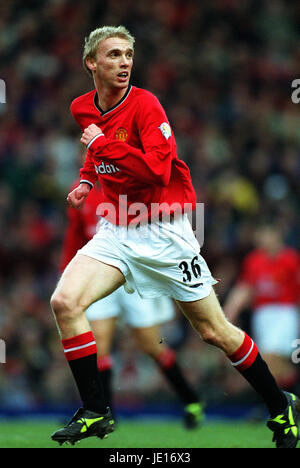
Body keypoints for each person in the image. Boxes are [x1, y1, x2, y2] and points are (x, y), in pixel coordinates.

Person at [50, 26, 300, 448]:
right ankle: (96, 411)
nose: (124, 62)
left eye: (128, 54)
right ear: (91, 63)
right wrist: (86, 183)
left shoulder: (146, 105)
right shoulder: (82, 108)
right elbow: (95, 156)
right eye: (113, 55)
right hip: (117, 226)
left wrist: (103, 146)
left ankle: (281, 406)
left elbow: (157, 170)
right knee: (64, 302)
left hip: (165, 231)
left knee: (215, 331)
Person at [60, 179, 205, 428]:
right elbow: (75, 232)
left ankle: (191, 400)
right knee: (99, 345)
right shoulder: (79, 190)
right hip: (99, 273)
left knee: (150, 344)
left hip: (134, 272)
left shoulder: (128, 181)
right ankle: (106, 415)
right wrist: (67, 273)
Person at [224, 224, 300, 393]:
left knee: (270, 358)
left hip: (284, 312)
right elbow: (245, 287)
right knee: (277, 365)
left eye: (266, 235)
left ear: (277, 235)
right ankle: (288, 401)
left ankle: (277, 404)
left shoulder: (291, 259)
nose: (263, 240)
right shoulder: (254, 260)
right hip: (263, 314)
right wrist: (229, 312)